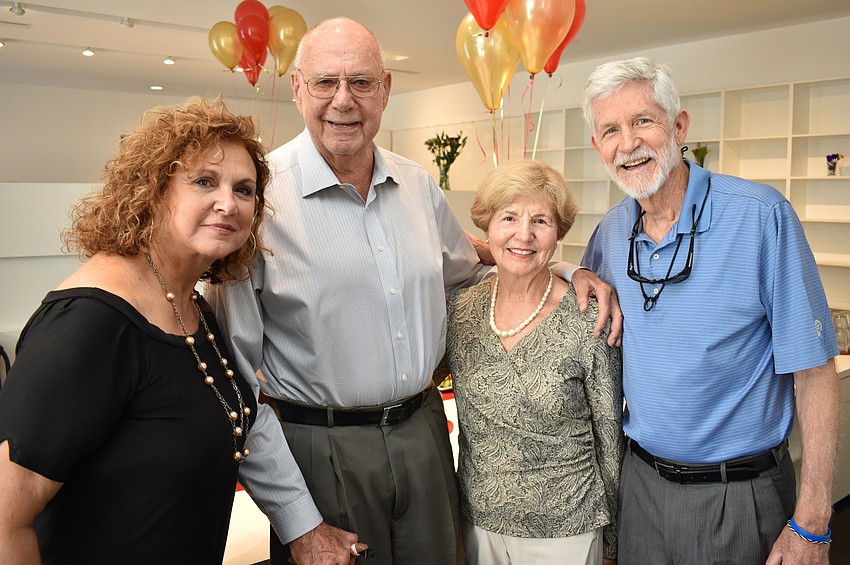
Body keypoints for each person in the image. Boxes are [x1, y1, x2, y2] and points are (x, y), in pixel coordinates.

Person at [207, 17, 622, 565]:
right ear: (298, 88)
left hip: (425, 436)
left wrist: (566, 269)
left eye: (361, 82)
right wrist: (299, 525)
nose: (343, 101)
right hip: (322, 448)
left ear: (385, 90)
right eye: (325, 82)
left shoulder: (417, 186)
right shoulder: (257, 200)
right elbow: (234, 386)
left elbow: (477, 268)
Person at [579, 57, 840, 565]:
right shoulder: (610, 234)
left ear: (679, 127)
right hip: (642, 490)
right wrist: (574, 273)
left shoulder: (762, 216)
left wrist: (812, 520)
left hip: (742, 496)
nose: (627, 143)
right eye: (610, 129)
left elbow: (814, 371)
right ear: (597, 148)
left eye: (642, 121)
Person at [0, 97, 271, 563]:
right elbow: (5, 518)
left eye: (244, 190)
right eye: (204, 181)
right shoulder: (91, 319)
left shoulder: (193, 306)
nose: (227, 203)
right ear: (153, 191)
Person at [442, 159, 623, 565]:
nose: (523, 234)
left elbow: (611, 440)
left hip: (568, 530)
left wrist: (613, 542)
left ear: (558, 234)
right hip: (478, 524)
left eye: (540, 221)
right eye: (508, 217)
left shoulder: (588, 318)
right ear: (487, 228)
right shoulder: (461, 310)